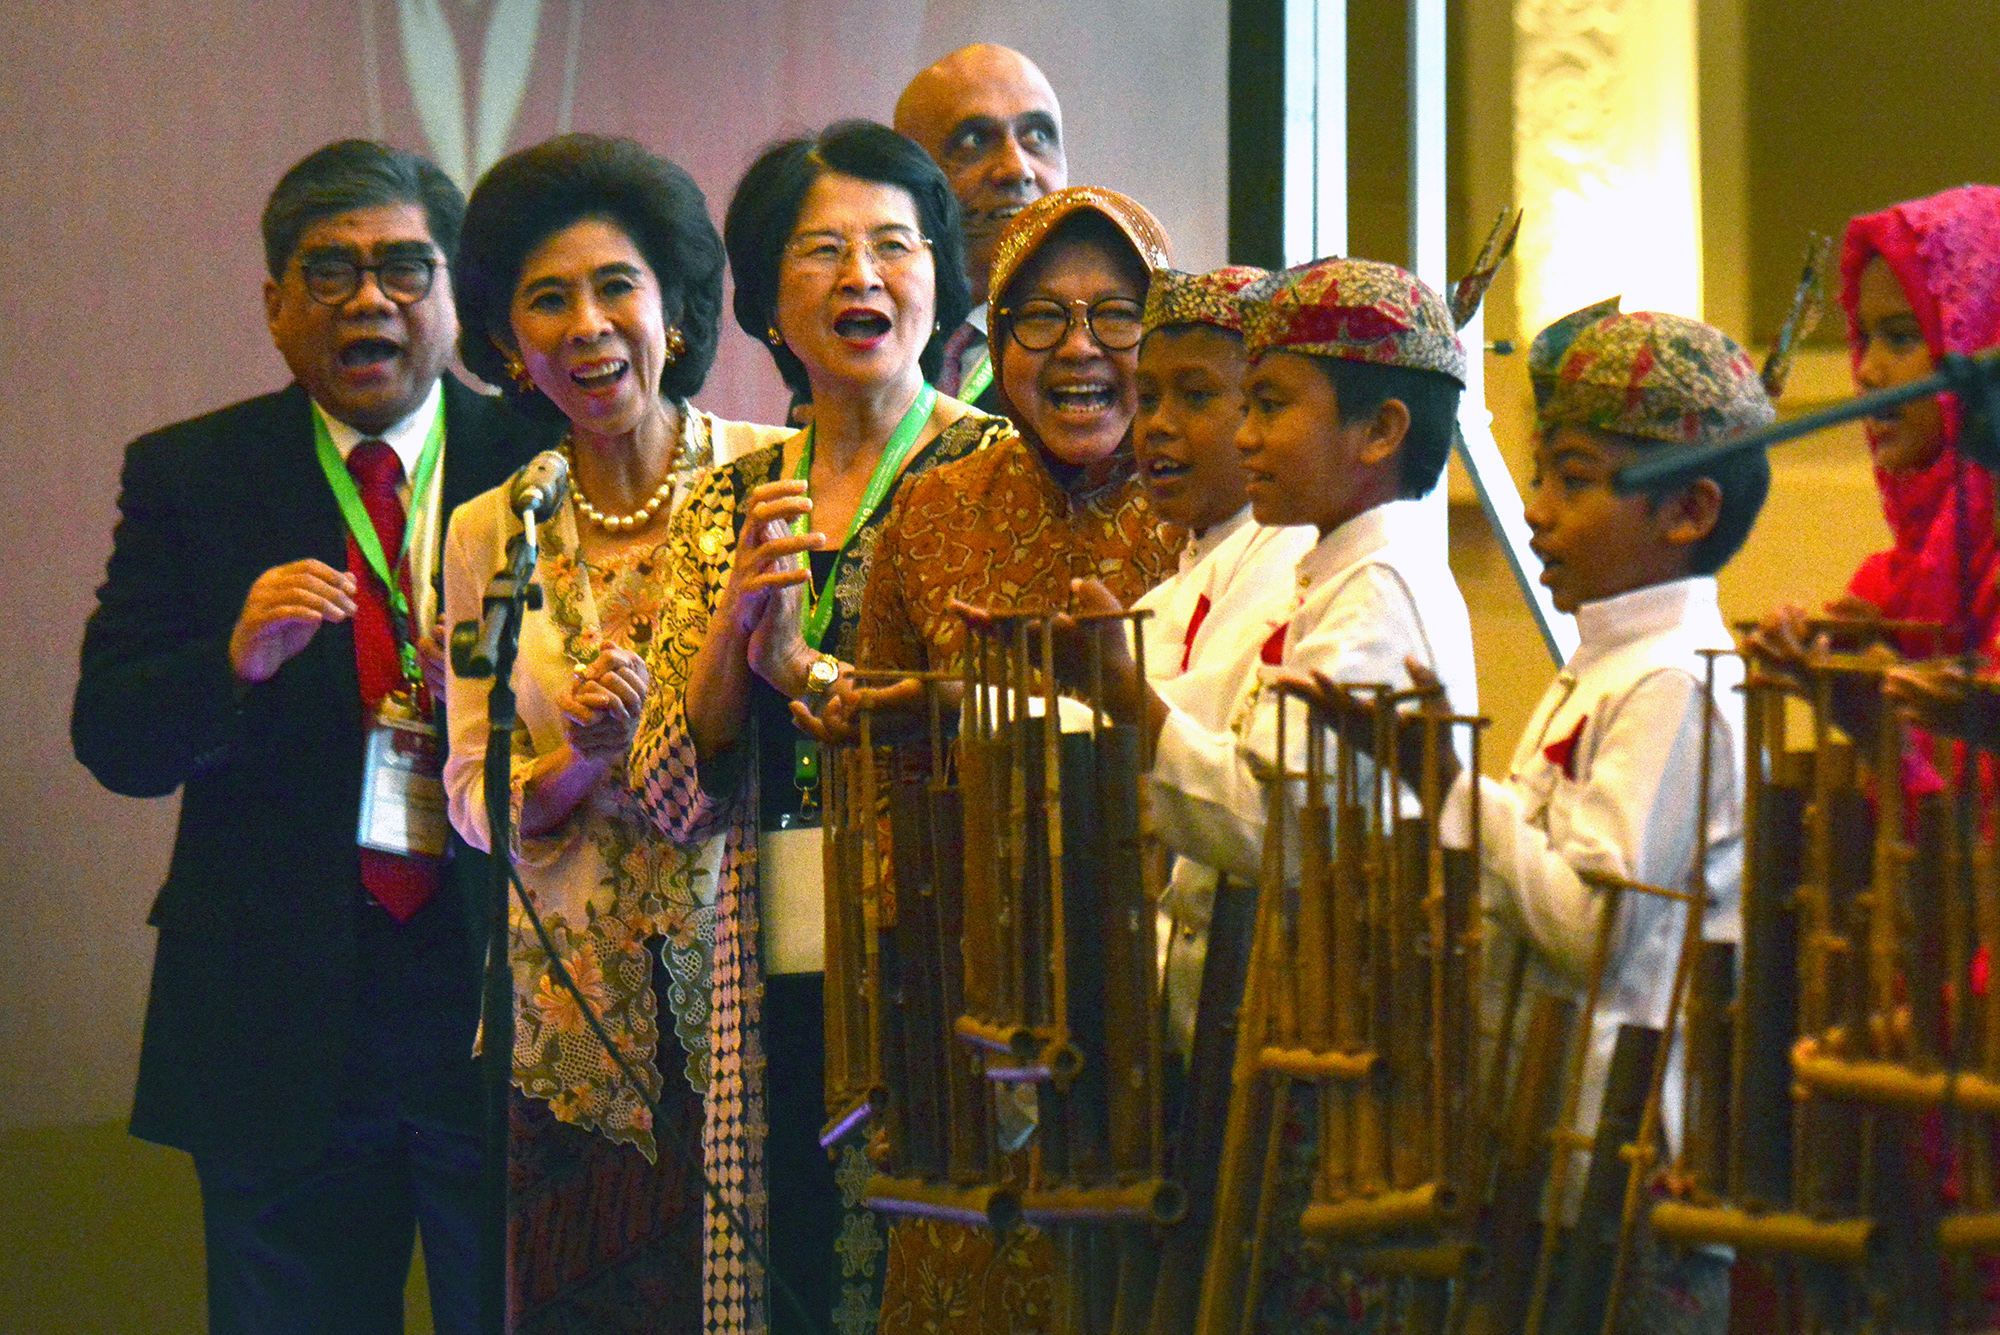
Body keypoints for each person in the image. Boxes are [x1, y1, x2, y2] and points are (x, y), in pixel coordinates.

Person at [71, 139, 543, 1335]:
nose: (370, 301)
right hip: (277, 1028)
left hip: (501, 1008)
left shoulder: (537, 461)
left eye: (402, 269)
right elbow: (115, 738)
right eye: (330, 274)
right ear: (276, 306)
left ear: (450, 299)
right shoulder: (193, 473)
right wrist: (230, 661)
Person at [625, 119, 1006, 1333]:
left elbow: (993, 733)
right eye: (821, 252)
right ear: (764, 300)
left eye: (895, 245)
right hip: (768, 951)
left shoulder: (994, 470)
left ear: (939, 278)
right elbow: (669, 793)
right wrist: (736, 640)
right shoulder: (727, 497)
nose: (862, 278)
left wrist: (800, 662)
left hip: (945, 946)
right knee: (788, 1256)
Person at [438, 133, 787, 1334]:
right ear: (507, 349)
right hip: (567, 1034)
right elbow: (467, 790)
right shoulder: (491, 535)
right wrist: (577, 761)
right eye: (548, 301)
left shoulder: (768, 484)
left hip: (751, 1004)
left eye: (615, 288)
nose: (587, 325)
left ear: (675, 314)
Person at [1408, 305, 1771, 1333]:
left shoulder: (1673, 682)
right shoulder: (1607, 664)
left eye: (1571, 479)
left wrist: (1448, 788)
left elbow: (1591, 930)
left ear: (1687, 509)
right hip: (1549, 1153)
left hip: (1621, 1174)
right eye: (1539, 477)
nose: (1533, 512)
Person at [1126, 263, 1314, 1056]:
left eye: (1196, 396)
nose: (1158, 424)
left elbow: (1191, 712)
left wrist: (1097, 688)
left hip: (1276, 1008)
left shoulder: (1291, 549)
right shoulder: (1195, 563)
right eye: (1146, 397)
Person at [894, 43, 1067, 407]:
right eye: (973, 141)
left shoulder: (1122, 348)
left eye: (1037, 136)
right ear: (909, 181)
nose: (1017, 169)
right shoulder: (865, 355)